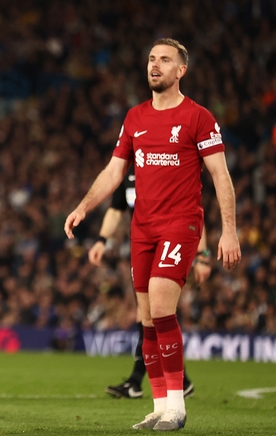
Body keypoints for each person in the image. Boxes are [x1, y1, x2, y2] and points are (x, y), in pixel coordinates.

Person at [64, 38, 241, 431]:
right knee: (146, 318)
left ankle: (177, 406)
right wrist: (83, 207)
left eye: (164, 60)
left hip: (181, 223)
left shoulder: (198, 117)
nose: (155, 65)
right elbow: (114, 171)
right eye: (151, 59)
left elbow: (220, 176)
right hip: (142, 228)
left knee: (161, 305)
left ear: (181, 70)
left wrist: (229, 231)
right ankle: (160, 405)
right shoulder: (135, 117)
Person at [88, 171, 211, 399]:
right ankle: (180, 381)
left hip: (169, 244)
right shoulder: (127, 174)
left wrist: (202, 255)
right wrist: (101, 240)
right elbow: (115, 210)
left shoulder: (165, 167)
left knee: (155, 314)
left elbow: (193, 209)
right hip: (142, 247)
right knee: (148, 316)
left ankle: (138, 382)